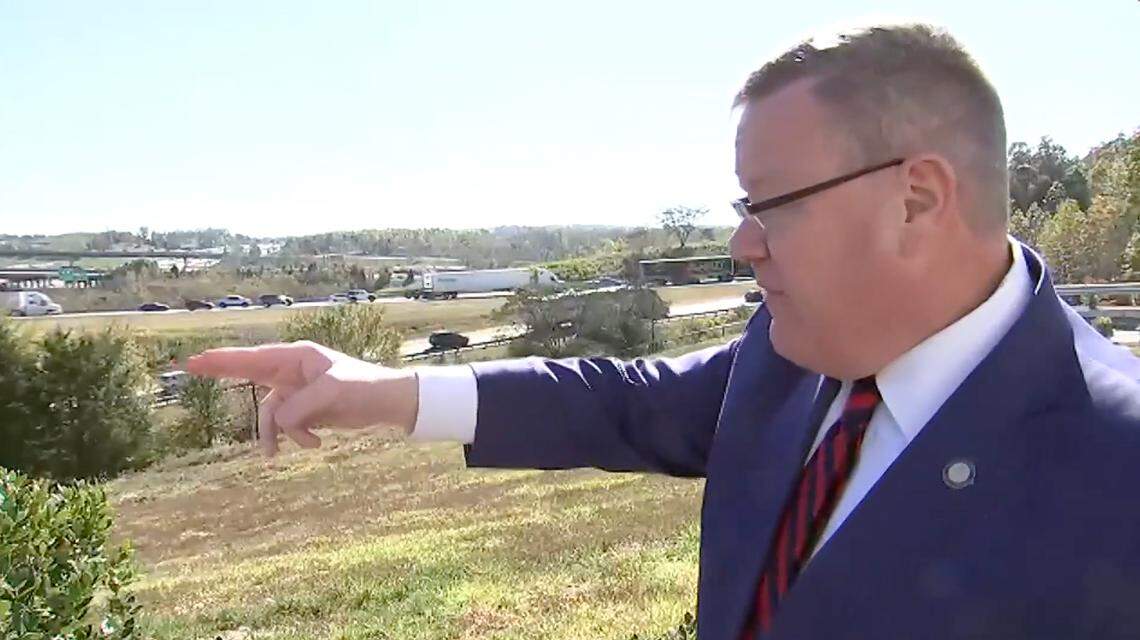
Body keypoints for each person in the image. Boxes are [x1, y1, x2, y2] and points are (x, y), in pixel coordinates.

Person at [186, 23, 1140, 640]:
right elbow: (624, 405)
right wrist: (379, 391)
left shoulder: (1115, 468)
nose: (742, 243)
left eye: (774, 205)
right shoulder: (790, 358)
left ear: (918, 198)